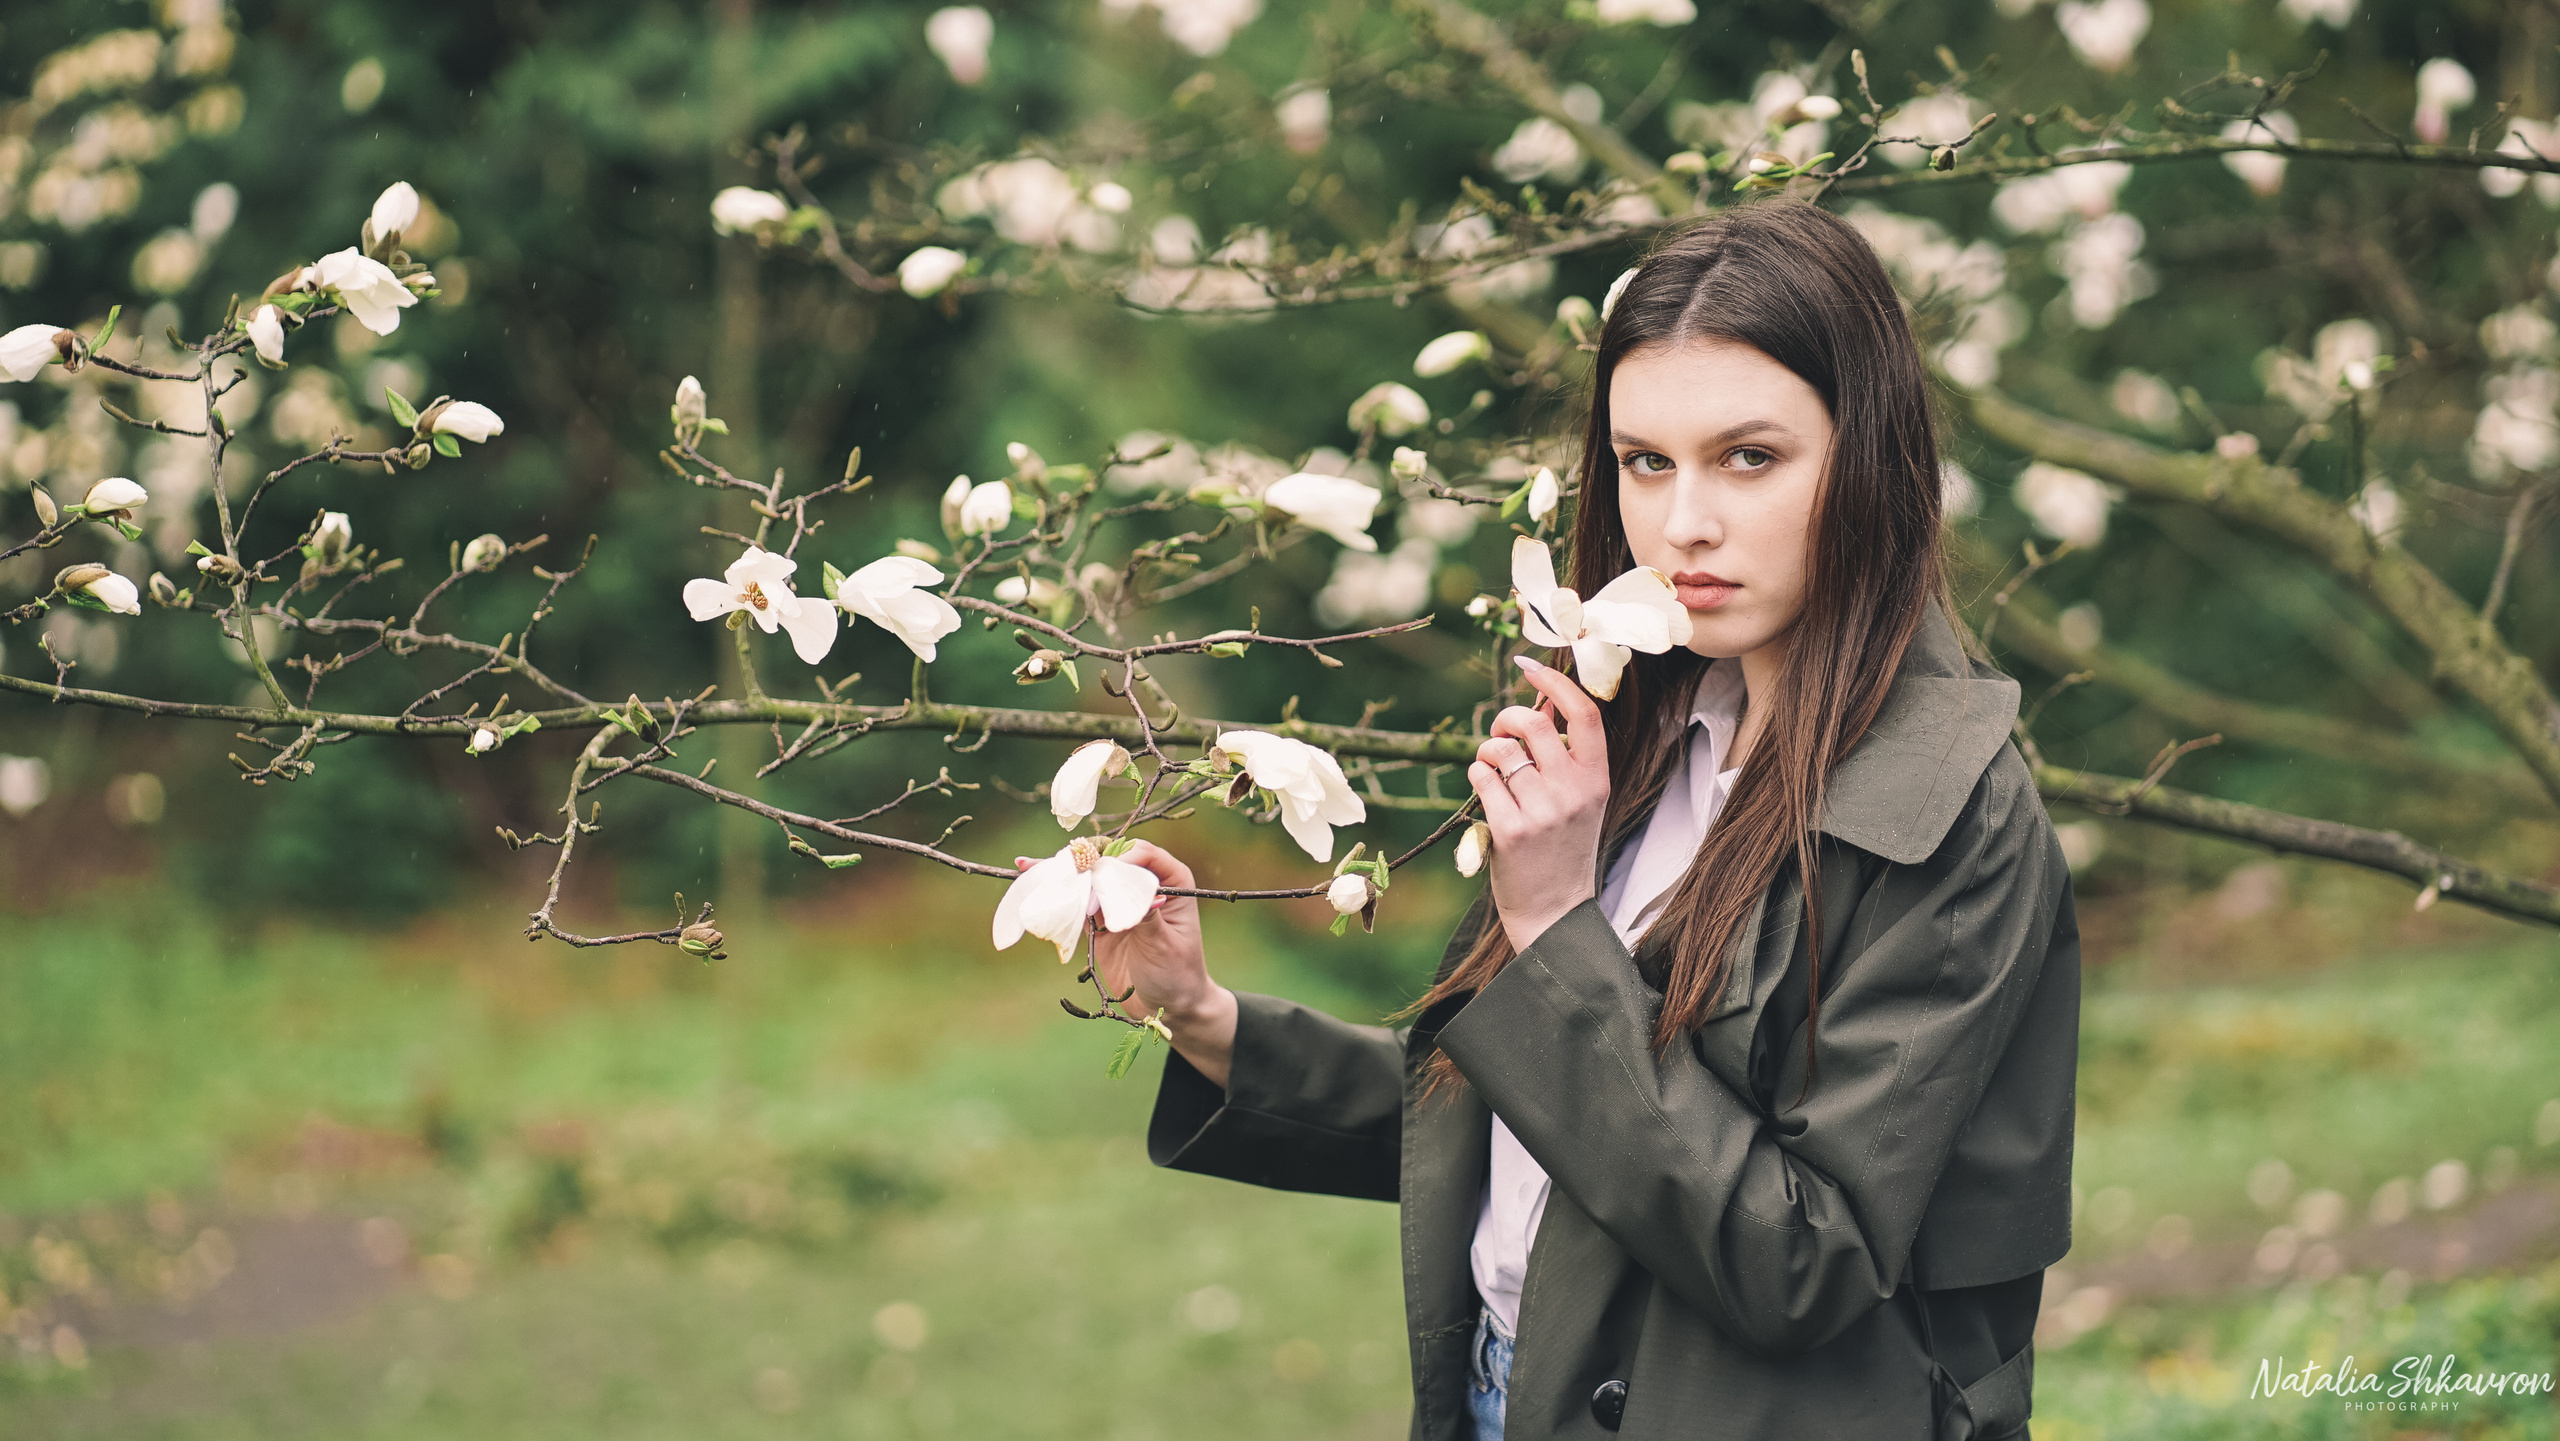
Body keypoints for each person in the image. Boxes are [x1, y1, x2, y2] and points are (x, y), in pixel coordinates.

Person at [1088, 198, 2079, 1440]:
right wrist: (1205, 1017)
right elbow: (1524, 1116)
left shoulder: (1947, 809)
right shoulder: (1643, 730)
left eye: (1749, 458)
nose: (1682, 524)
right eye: (1645, 462)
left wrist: (1555, 921)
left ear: (1869, 456)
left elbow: (1801, 1259)